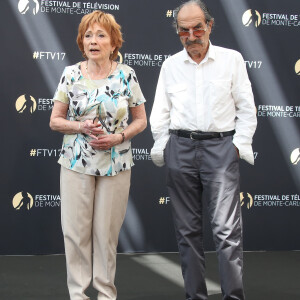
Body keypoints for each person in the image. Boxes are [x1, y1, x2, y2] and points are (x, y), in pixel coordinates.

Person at [150, 1, 257, 300]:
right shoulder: (170, 65)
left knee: (226, 233)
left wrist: (236, 146)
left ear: (209, 26)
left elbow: (247, 110)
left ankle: (233, 297)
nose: (192, 34)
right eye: (184, 30)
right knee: (187, 234)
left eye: (198, 27)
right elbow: (160, 113)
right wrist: (166, 146)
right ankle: (194, 296)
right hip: (180, 149)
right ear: (178, 32)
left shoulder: (231, 60)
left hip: (221, 148)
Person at [50, 10, 147, 300]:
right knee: (76, 234)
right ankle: (78, 294)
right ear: (82, 42)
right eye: (88, 35)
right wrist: (80, 125)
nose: (93, 41)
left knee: (106, 236)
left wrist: (119, 136)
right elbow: (55, 120)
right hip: (75, 163)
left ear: (113, 42)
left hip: (116, 164)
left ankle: (106, 294)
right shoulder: (70, 74)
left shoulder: (127, 74)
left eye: (100, 35)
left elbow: (141, 120)